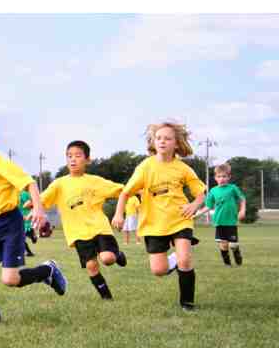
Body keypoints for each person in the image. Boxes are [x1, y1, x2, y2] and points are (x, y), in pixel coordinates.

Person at [0, 120, 67, 325]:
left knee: (10, 279)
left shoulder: (3, 165)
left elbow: (30, 183)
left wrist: (38, 209)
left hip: (9, 224)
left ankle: (47, 271)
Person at [112, 121, 206, 312]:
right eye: (158, 138)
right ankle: (177, 258)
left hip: (180, 219)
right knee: (159, 270)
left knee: (185, 261)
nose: (162, 141)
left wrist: (194, 205)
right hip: (153, 223)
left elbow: (200, 193)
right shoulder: (145, 167)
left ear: (176, 144)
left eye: (167, 138)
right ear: (153, 142)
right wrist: (119, 214)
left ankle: (187, 303)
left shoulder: (183, 168)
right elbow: (125, 193)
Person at [35, 141, 127, 300]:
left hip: (99, 227)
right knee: (91, 266)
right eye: (69, 156)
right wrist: (33, 205)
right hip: (77, 233)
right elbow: (42, 199)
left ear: (87, 160)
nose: (73, 159)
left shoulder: (95, 181)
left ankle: (117, 254)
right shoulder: (59, 184)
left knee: (107, 258)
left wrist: (138, 189)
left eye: (77, 155)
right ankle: (107, 297)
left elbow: (121, 189)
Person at [198, 162, 246, 266]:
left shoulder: (232, 188)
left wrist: (242, 210)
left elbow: (242, 198)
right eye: (219, 176)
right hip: (219, 221)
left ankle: (237, 255)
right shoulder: (213, 191)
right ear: (215, 178)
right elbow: (208, 206)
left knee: (233, 245)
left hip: (231, 221)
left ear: (229, 177)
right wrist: (198, 214)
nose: (222, 179)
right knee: (224, 245)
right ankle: (227, 264)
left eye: (224, 176)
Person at [19, 190, 37, 257]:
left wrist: (27, 205)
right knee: (20, 238)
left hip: (26, 218)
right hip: (19, 218)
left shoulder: (23, 193)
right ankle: (29, 252)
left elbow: (30, 204)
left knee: (21, 237)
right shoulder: (14, 193)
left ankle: (32, 236)